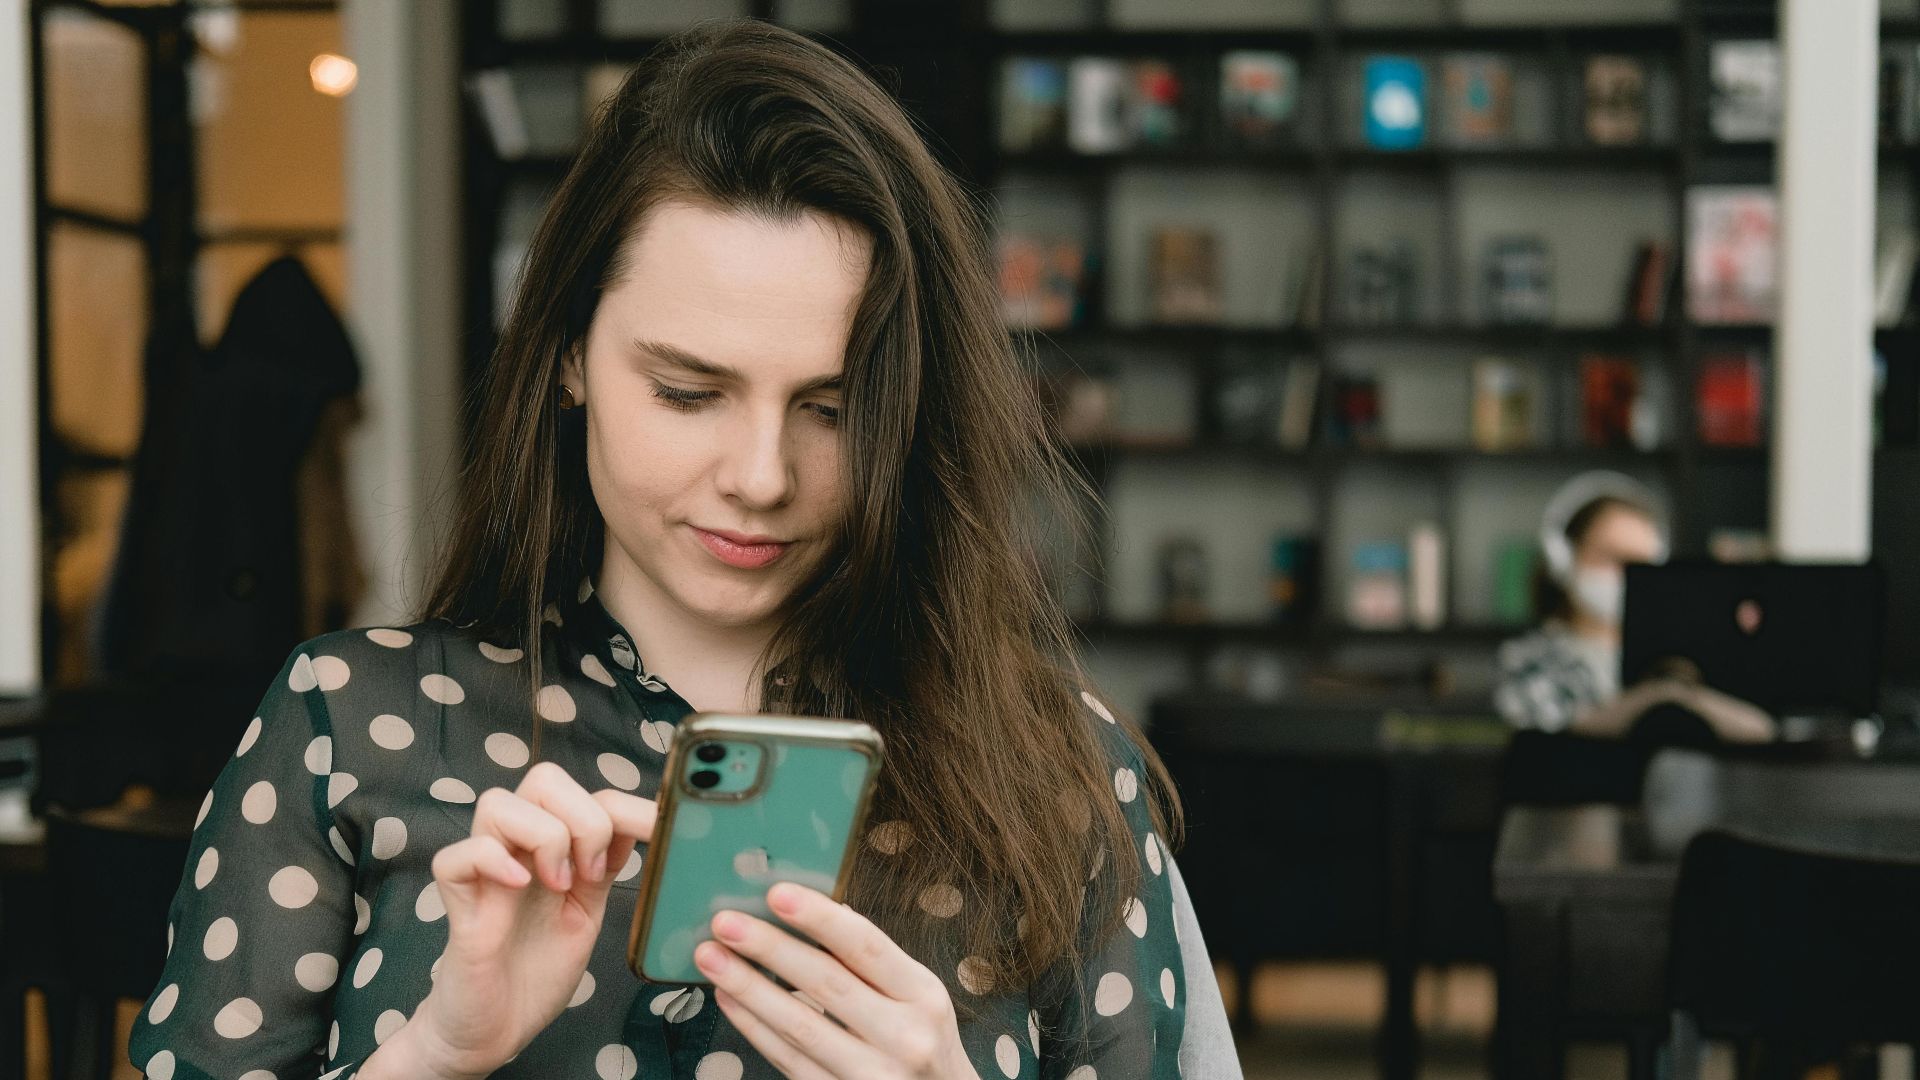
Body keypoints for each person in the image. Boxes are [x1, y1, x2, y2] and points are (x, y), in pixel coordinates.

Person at [126, 18, 1242, 1080]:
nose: (761, 477)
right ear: (566, 356)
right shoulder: (346, 725)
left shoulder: (1053, 769)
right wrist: (435, 1056)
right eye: (686, 391)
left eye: (833, 408)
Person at [1494, 472, 1773, 743]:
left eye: (1641, 564)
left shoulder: (1680, 656)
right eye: (1612, 558)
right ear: (1563, 557)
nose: (1626, 576)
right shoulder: (1526, 659)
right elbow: (1544, 740)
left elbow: (1761, 730)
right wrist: (1656, 698)